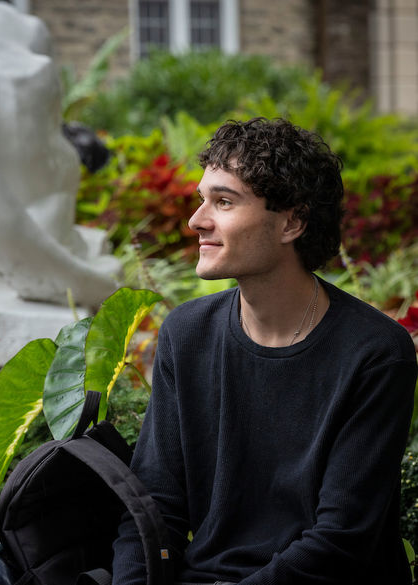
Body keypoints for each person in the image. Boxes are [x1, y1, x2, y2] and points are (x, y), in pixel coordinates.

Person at [111, 117, 418, 585]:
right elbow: (155, 506)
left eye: (224, 202)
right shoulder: (186, 334)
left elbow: (341, 540)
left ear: (291, 222)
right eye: (202, 199)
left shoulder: (375, 353)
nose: (197, 220)